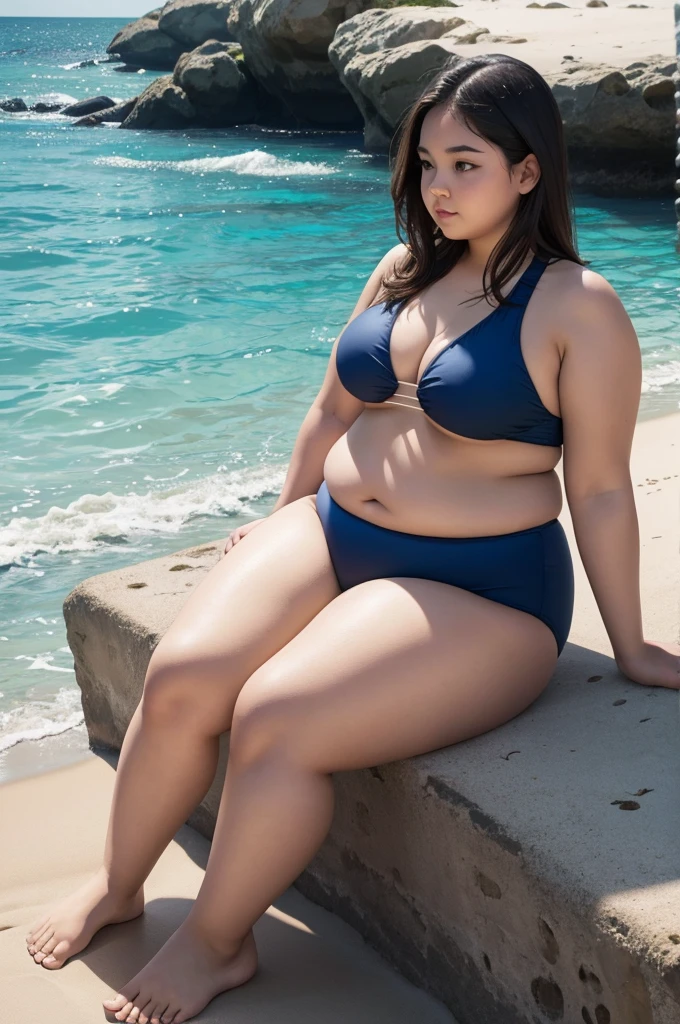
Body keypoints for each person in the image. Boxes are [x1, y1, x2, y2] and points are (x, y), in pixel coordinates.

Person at [26, 53, 679, 1024]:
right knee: (182, 678)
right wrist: (288, 513)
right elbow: (331, 409)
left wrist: (625, 642)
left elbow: (595, 487)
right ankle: (121, 885)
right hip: (331, 531)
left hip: (482, 587)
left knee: (275, 719)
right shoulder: (402, 269)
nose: (438, 187)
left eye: (465, 163)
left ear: (527, 170)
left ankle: (216, 942)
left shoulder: (575, 306)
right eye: (425, 165)